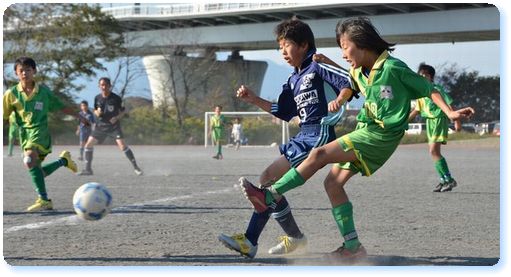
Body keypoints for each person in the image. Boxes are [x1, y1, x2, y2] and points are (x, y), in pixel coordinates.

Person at [240, 17, 474, 260]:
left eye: (344, 46)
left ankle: (269, 196)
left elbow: (429, 89)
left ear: (362, 43)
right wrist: (334, 79)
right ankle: (353, 247)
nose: (342, 53)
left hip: (380, 135)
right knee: (332, 184)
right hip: (366, 131)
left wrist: (450, 112)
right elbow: (346, 79)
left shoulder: (394, 68)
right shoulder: (361, 72)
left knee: (318, 154)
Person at [219, 18, 357, 259]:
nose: (282, 51)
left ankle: (252, 240)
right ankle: (293, 239)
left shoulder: (317, 64)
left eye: (287, 45)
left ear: (304, 45)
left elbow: (349, 81)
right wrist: (253, 99)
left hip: (320, 134)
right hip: (303, 135)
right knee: (266, 179)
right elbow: (281, 112)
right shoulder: (294, 78)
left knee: (269, 182)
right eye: (280, 47)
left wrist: (341, 100)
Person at [3, 56, 78, 212]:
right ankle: (63, 161)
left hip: (40, 132)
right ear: (16, 73)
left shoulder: (43, 92)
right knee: (38, 172)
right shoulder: (10, 94)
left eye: (28, 70)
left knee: (29, 159)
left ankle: (44, 200)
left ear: (34, 71)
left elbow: (61, 106)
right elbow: (4, 116)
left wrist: (80, 116)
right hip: (24, 135)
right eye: (21, 71)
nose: (25, 73)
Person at [408, 63, 461, 192]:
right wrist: (403, 121)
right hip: (429, 123)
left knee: (433, 151)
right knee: (434, 153)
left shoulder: (436, 89)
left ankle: (449, 180)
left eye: (424, 75)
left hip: (438, 120)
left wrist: (456, 121)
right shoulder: (420, 92)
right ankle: (444, 180)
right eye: (419, 75)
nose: (421, 77)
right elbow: (416, 110)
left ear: (430, 76)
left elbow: (449, 104)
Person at [77, 77, 143, 176]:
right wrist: (97, 112)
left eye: (105, 85)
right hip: (100, 126)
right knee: (88, 145)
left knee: (122, 146)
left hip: (113, 127)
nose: (103, 87)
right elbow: (95, 109)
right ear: (99, 86)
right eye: (101, 85)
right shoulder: (97, 98)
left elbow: (123, 111)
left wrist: (116, 117)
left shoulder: (116, 98)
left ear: (109, 86)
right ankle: (88, 170)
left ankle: (136, 167)